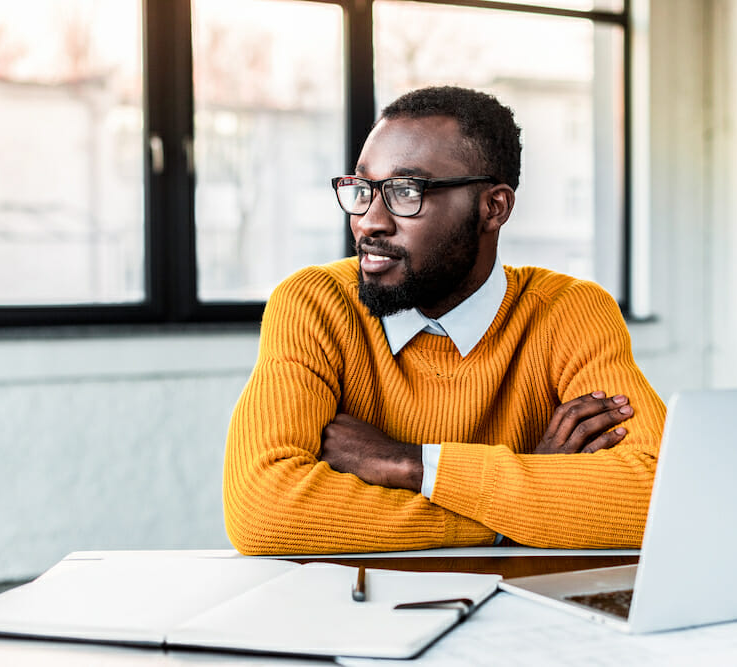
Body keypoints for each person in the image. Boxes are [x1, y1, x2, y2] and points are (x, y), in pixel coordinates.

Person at [224, 86, 666, 555]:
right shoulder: (315, 304)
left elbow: (662, 493)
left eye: (404, 191)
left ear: (493, 207)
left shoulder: (568, 311)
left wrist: (410, 464)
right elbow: (263, 510)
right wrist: (518, 512)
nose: (369, 222)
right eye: (362, 189)